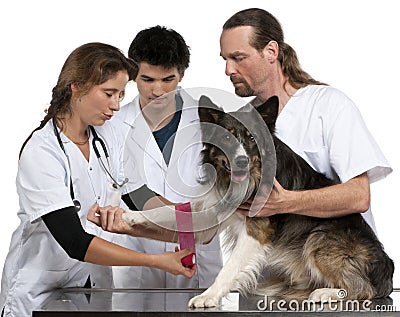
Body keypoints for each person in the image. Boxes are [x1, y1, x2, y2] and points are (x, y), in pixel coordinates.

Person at [0, 42, 195, 317]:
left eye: (121, 94)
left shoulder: (106, 136)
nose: (116, 105)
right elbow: (75, 241)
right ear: (76, 86)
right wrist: (157, 261)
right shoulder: (41, 152)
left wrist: (188, 218)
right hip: (39, 292)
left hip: (91, 286)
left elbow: (136, 195)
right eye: (109, 93)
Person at [219, 8, 392, 228]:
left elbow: (358, 196)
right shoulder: (240, 122)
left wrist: (284, 202)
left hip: (336, 250)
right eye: (225, 59)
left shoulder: (327, 105)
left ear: (271, 52)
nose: (228, 69)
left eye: (238, 58)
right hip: (277, 258)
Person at [109, 25, 223, 289]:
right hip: (137, 264)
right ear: (132, 74)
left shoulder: (210, 121)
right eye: (147, 80)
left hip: (199, 267)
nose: (158, 90)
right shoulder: (111, 127)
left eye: (167, 79)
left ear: (182, 74)